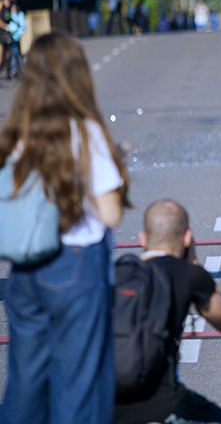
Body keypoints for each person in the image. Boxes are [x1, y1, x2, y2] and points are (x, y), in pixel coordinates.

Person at [0, 31, 131, 424]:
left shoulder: (15, 132)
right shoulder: (84, 131)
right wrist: (119, 165)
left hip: (23, 271)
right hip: (76, 264)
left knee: (25, 383)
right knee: (78, 385)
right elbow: (110, 214)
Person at [112, 200, 221, 424]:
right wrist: (195, 263)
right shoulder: (188, 273)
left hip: (106, 402)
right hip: (162, 404)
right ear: (187, 237)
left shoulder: (117, 272)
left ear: (142, 238)